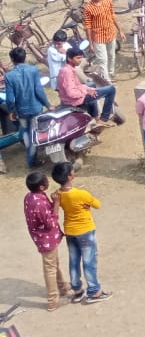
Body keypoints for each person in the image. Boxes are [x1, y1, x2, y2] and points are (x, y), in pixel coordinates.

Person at [52, 162, 111, 304]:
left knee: (73, 261)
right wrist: (87, 203)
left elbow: (55, 211)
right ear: (70, 176)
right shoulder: (81, 194)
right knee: (89, 261)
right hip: (85, 231)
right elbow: (97, 204)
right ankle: (94, 291)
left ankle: (77, 290)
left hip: (70, 232)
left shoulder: (57, 194)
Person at [25, 171, 71, 311]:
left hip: (41, 238)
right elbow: (50, 222)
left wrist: (51, 203)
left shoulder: (30, 197)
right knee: (50, 268)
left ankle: (62, 287)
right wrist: (56, 204)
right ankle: (53, 300)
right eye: (46, 180)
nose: (48, 180)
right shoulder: (39, 203)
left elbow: (42, 216)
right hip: (46, 239)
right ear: (42, 187)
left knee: (53, 263)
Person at [6, 48, 48, 168]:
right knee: (36, 133)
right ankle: (37, 157)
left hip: (22, 111)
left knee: (27, 135)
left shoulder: (9, 76)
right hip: (36, 108)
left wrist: (11, 111)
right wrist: (47, 104)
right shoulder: (33, 70)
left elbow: (10, 98)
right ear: (24, 58)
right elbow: (39, 91)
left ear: (12, 60)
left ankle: (31, 161)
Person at [57, 47, 120, 125]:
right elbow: (71, 93)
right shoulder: (67, 72)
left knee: (92, 86)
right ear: (69, 59)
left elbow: (78, 85)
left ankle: (94, 116)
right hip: (73, 100)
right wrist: (86, 92)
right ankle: (104, 119)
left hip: (72, 96)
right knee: (111, 89)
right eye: (78, 58)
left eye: (81, 58)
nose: (80, 60)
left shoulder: (68, 69)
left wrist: (88, 89)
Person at [82, 0, 120, 84]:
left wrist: (120, 30)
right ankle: (107, 80)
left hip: (110, 33)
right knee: (102, 59)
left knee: (112, 55)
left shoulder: (108, 2)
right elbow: (88, 27)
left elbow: (113, 16)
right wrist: (90, 43)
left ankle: (110, 73)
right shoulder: (88, 8)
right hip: (98, 36)